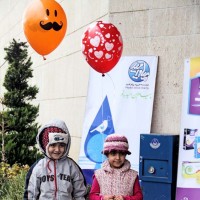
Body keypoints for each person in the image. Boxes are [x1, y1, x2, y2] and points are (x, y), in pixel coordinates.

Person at [24, 119, 86, 200]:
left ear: (66, 146)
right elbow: (31, 193)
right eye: (53, 145)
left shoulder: (72, 167)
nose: (57, 149)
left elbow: (80, 193)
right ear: (45, 145)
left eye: (61, 145)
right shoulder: (38, 167)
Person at [89, 133, 143, 200]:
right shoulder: (99, 174)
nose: (118, 157)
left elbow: (139, 196)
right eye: (113, 154)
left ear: (126, 155)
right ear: (107, 155)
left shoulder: (132, 175)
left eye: (122, 154)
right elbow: (92, 195)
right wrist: (102, 198)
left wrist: (125, 199)